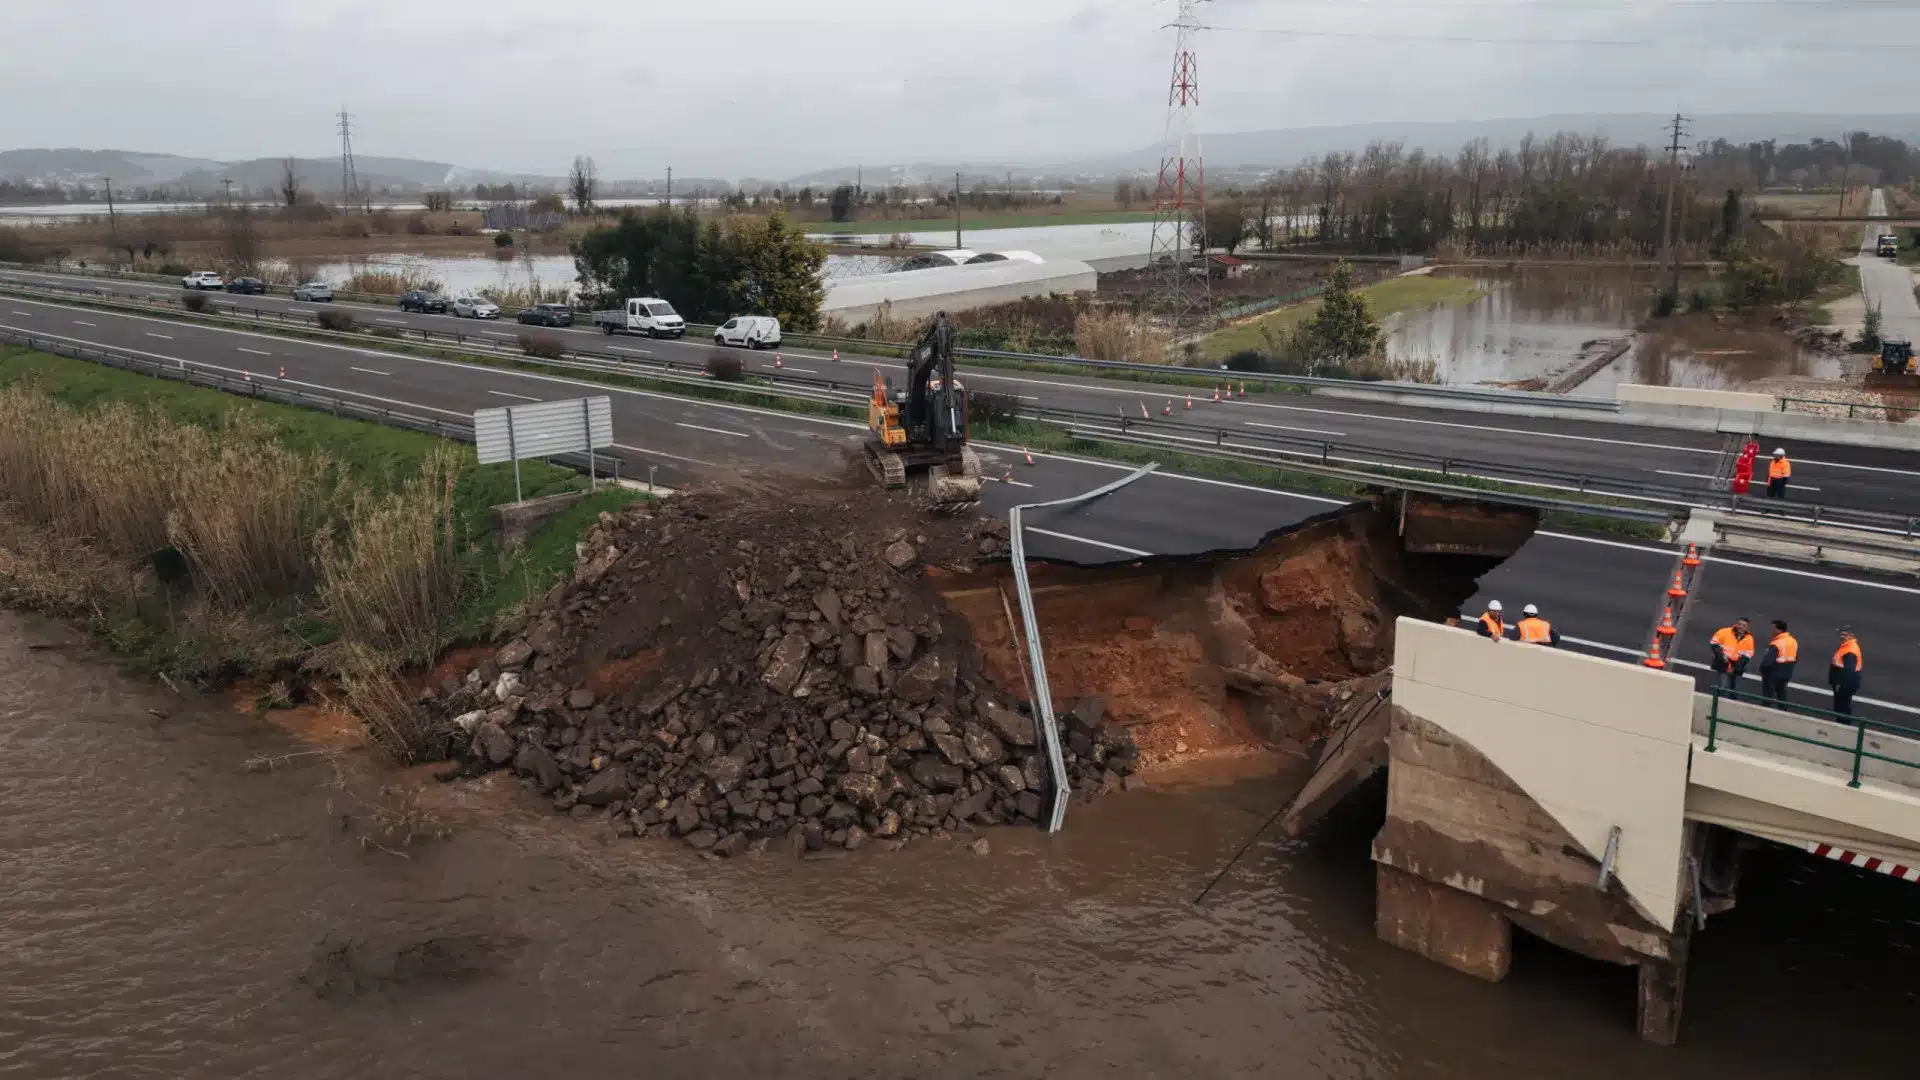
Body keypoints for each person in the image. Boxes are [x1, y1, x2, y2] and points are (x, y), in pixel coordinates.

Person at [1708, 618, 1756, 694]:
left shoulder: (1749, 639)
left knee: (1734, 689)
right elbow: (1714, 644)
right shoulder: (1724, 632)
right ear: (1736, 624)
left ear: (1747, 627)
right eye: (1739, 624)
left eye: (1744, 625)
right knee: (1722, 686)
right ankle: (1717, 699)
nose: (1741, 627)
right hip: (1723, 663)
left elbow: (1747, 655)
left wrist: (1734, 667)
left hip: (1737, 667)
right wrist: (1722, 655)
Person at [1758, 619, 1798, 705]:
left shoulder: (1777, 643)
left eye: (1773, 628)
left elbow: (1768, 661)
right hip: (1787, 671)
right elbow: (1795, 657)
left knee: (1768, 694)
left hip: (1773, 672)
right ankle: (1783, 710)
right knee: (1782, 693)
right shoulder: (1793, 640)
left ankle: (1765, 711)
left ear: (1779, 630)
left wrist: (1762, 670)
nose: (1772, 630)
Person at [1829, 629, 1864, 718]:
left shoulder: (1850, 651)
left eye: (1845, 635)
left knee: (1841, 709)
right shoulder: (1847, 646)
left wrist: (1841, 686)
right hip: (1846, 685)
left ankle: (1842, 727)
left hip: (1844, 686)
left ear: (1851, 636)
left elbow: (1848, 671)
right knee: (1844, 707)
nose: (1842, 637)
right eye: (1841, 634)